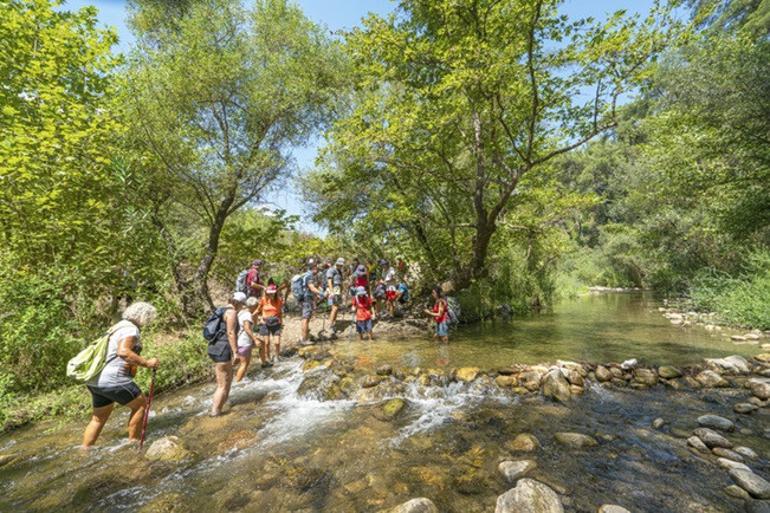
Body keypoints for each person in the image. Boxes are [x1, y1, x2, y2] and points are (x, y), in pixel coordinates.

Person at [82, 302, 160, 448]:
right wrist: (147, 363)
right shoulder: (130, 329)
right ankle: (134, 444)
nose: (150, 322)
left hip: (95, 380)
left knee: (99, 418)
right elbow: (123, 352)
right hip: (112, 379)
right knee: (141, 405)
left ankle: (85, 450)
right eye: (150, 318)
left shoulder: (117, 327)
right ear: (144, 316)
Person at [209, 292, 245, 416]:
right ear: (238, 303)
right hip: (223, 349)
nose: (242, 307)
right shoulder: (232, 313)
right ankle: (215, 412)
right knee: (223, 385)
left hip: (214, 347)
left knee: (223, 383)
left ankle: (218, 409)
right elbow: (230, 333)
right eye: (242, 304)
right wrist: (236, 352)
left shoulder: (221, 309)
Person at [256, 282, 284, 362]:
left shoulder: (278, 301)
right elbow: (258, 311)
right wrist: (260, 319)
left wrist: (281, 322)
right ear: (266, 293)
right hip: (265, 323)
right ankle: (267, 357)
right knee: (267, 342)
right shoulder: (263, 300)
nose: (271, 295)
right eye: (269, 293)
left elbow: (280, 313)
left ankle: (277, 356)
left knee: (277, 342)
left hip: (276, 323)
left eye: (272, 293)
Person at [236, 297, 260, 381]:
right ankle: (237, 382)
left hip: (240, 341)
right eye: (257, 306)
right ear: (253, 306)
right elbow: (247, 328)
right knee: (244, 364)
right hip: (244, 342)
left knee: (241, 362)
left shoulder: (242, 313)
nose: (258, 307)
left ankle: (235, 379)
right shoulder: (247, 315)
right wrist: (255, 339)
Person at [299, 261, 323, 345]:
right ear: (314, 267)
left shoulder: (305, 274)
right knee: (306, 318)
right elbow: (312, 288)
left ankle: (304, 337)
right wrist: (321, 293)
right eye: (316, 267)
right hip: (306, 299)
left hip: (303, 298)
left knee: (305, 318)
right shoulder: (309, 276)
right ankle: (304, 339)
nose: (317, 269)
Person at [326, 257, 345, 334]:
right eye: (339, 264)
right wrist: (331, 292)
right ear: (337, 263)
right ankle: (330, 325)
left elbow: (340, 282)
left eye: (341, 264)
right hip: (334, 289)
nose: (341, 266)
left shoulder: (339, 271)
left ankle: (334, 323)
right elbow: (329, 281)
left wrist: (342, 290)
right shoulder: (331, 270)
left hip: (338, 289)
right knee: (335, 307)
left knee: (336, 307)